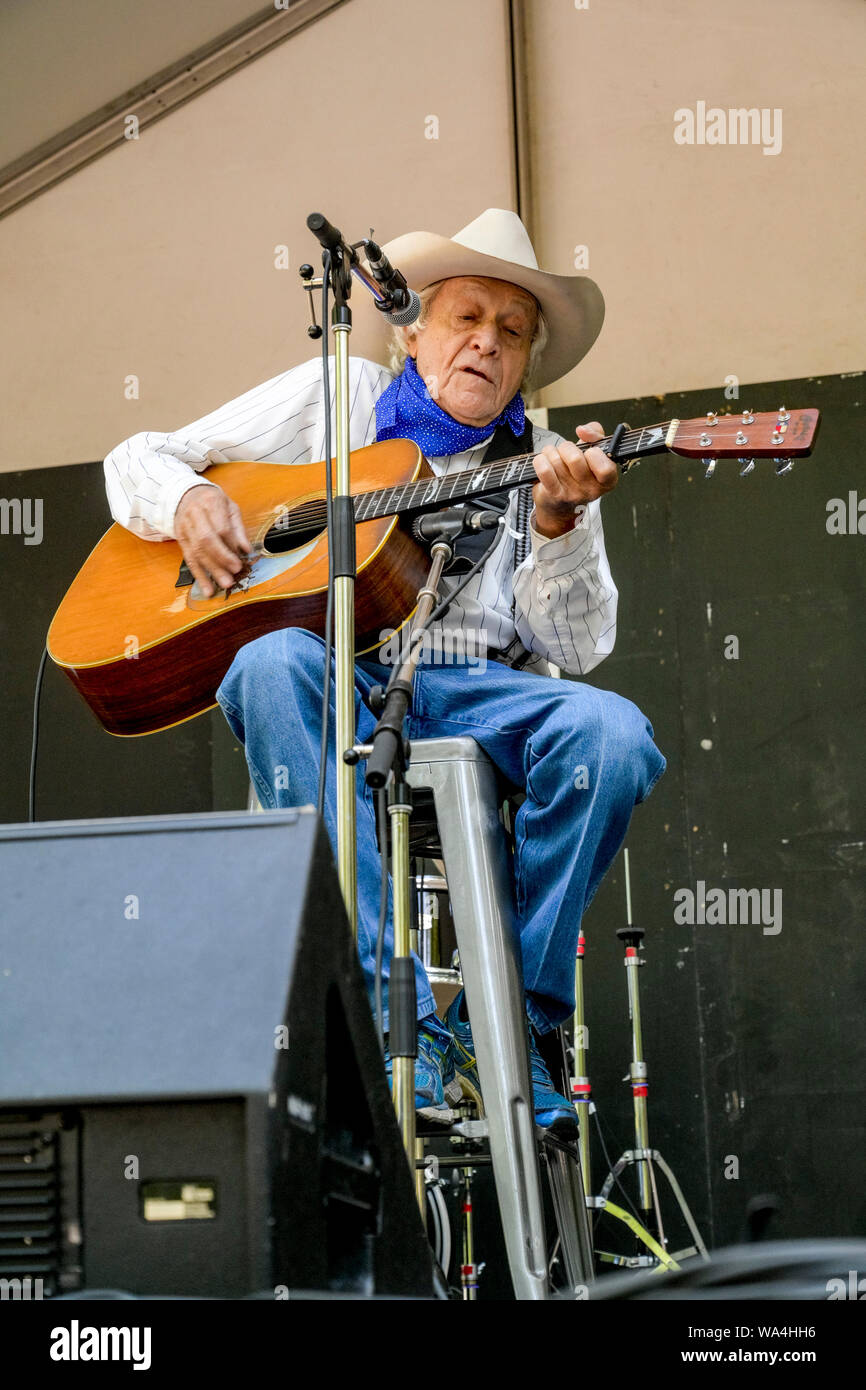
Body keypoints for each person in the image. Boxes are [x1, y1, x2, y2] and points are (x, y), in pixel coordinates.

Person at [104, 208, 666, 1134]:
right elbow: (140, 458)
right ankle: (367, 1005)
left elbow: (576, 647)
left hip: (481, 697)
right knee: (267, 660)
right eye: (466, 318)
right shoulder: (343, 396)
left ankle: (509, 1026)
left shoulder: (547, 463)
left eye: (511, 332)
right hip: (345, 675)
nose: (486, 343)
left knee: (612, 736)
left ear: (525, 365)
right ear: (413, 331)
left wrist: (561, 526)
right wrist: (194, 498)